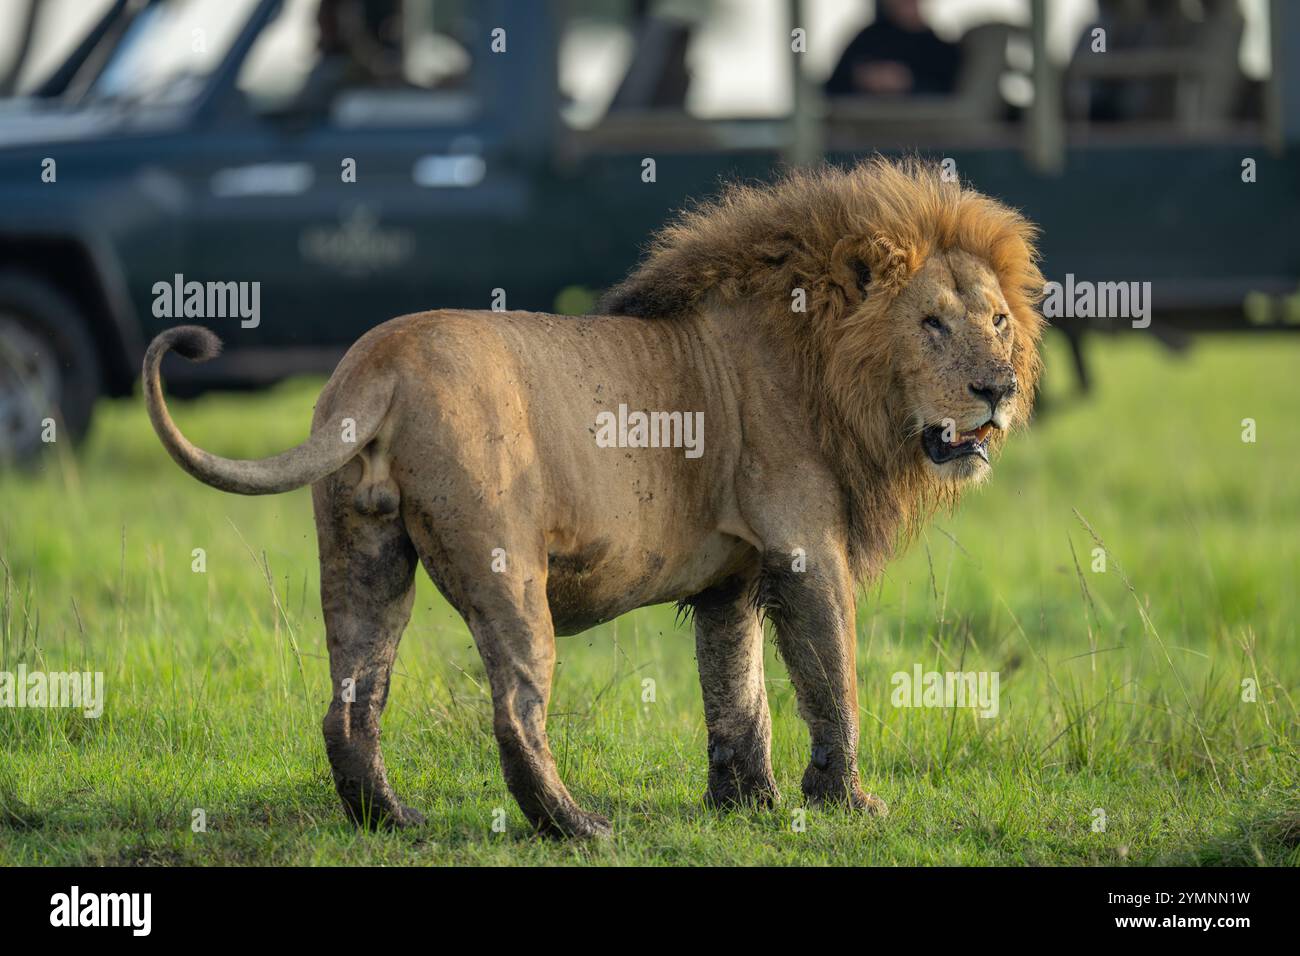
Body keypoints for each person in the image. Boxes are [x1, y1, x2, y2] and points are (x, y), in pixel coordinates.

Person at [825, 0, 960, 98]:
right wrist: (862, 78)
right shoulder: (868, 38)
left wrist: (907, 83)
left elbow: (950, 94)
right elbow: (831, 88)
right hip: (862, 128)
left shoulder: (941, 50)